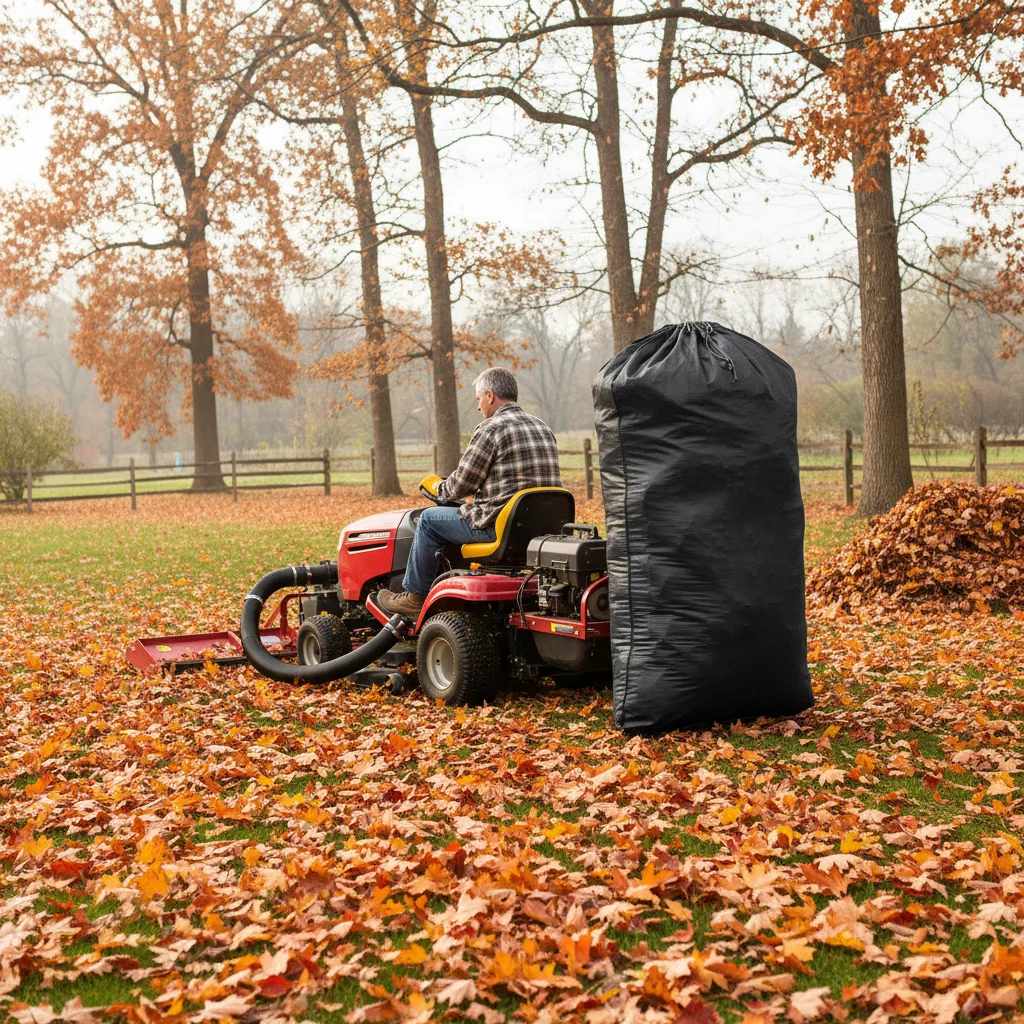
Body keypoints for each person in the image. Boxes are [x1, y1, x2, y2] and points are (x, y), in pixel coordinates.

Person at [378, 367, 561, 617]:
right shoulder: (543, 428)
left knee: (430, 520)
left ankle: (415, 597)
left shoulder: (490, 429)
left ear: (489, 395)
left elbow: (459, 486)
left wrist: (437, 488)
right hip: (538, 531)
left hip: (497, 527)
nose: (478, 407)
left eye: (478, 400)